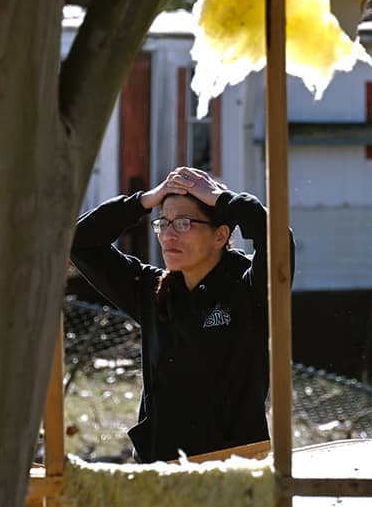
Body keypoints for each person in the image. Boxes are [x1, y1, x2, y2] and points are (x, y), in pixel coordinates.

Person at [70, 166, 294, 462]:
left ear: (220, 236)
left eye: (185, 223)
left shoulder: (248, 289)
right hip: (159, 470)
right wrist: (145, 200)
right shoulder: (150, 290)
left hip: (233, 470)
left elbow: (277, 239)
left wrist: (221, 198)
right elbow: (80, 242)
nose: (168, 235)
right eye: (164, 223)